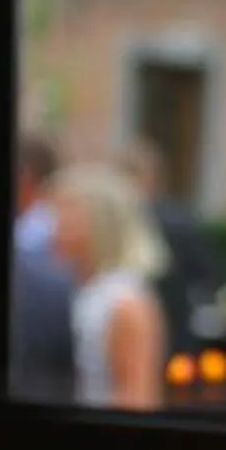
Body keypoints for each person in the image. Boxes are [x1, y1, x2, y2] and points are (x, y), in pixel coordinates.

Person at [49, 163, 166, 410]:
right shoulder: (88, 289)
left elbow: (137, 397)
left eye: (65, 215)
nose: (54, 227)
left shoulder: (125, 303)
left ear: (99, 223)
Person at [121, 139, 222, 345]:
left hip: (157, 329)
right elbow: (206, 276)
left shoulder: (125, 222)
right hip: (174, 331)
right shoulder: (180, 219)